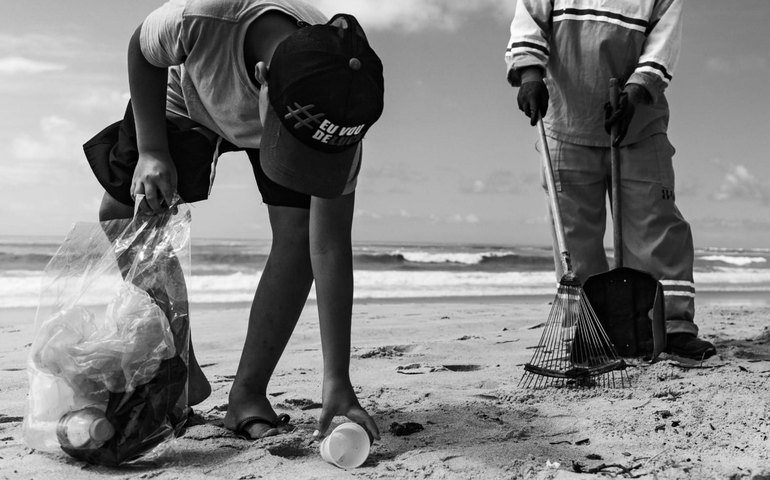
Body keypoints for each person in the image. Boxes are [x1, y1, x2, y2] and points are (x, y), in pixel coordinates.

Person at [84, 0, 384, 440]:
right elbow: (142, 48)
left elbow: (329, 245)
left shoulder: (341, 107)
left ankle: (248, 394)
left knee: (299, 236)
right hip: (192, 97)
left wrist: (337, 378)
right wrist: (152, 150)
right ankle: (182, 368)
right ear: (263, 77)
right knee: (122, 213)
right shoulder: (203, 18)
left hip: (298, 117)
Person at [505, 0, 716, 359]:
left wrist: (635, 92)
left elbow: (662, 45)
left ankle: (670, 328)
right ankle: (591, 332)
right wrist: (529, 76)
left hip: (638, 124)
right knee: (574, 237)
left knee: (655, 226)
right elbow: (529, 20)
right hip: (565, 122)